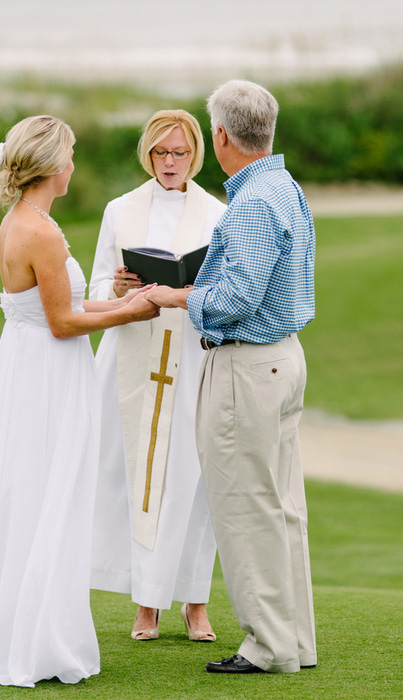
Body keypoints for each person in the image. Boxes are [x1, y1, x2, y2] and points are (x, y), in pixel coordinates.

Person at [0, 115, 158, 688]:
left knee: (27, 491)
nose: (75, 165)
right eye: (72, 156)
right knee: (50, 492)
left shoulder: (16, 223)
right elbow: (62, 322)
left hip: (25, 365)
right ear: (54, 166)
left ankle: (21, 623)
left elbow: (56, 310)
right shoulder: (43, 232)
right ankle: (38, 641)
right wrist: (131, 313)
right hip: (49, 373)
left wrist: (121, 303)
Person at [146, 80, 317, 673]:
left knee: (246, 506)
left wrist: (182, 296)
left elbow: (235, 301)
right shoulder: (284, 186)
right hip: (284, 356)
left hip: (248, 364)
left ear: (220, 136)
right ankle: (294, 641)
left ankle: (268, 646)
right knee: (283, 506)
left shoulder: (250, 202)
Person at [89, 109, 226, 641]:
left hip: (189, 354)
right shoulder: (120, 209)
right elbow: (98, 284)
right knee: (137, 477)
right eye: (162, 153)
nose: (170, 163)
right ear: (148, 153)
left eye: (181, 153)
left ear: (195, 154)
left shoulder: (216, 212)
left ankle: (196, 601)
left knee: (193, 479)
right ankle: (145, 606)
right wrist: (119, 288)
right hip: (135, 354)